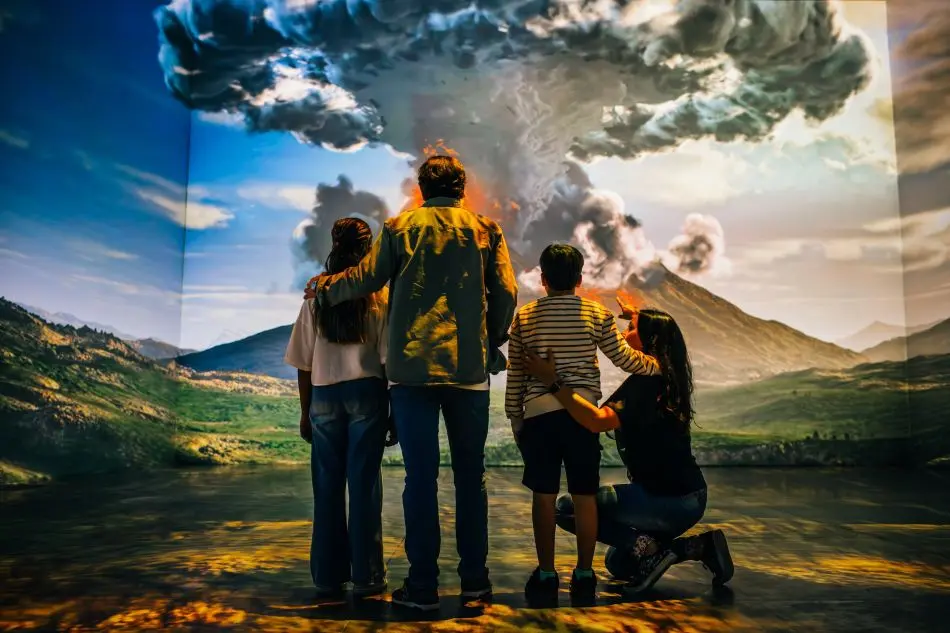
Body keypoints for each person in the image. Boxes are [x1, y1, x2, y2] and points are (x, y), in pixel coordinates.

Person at [305, 155, 518, 611]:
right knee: (470, 478)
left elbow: (366, 278)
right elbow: (505, 293)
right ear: (463, 187)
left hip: (410, 374)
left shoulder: (400, 228)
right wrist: (491, 339)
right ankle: (475, 583)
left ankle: (421, 587)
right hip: (468, 373)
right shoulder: (486, 229)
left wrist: (325, 289)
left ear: (421, 188)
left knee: (420, 480)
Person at [522, 302, 734, 595]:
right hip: (688, 497)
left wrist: (553, 383)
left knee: (567, 509)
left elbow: (596, 422)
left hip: (667, 500)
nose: (624, 332)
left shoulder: (645, 383)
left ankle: (654, 551)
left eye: (632, 328)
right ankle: (697, 546)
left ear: (651, 340)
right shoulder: (667, 376)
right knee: (619, 563)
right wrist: (636, 313)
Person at [505, 244, 661, 605]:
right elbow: (625, 359)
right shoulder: (595, 313)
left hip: (539, 418)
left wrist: (516, 418)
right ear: (579, 279)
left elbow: (516, 376)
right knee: (584, 495)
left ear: (542, 279)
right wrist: (659, 366)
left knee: (543, 497)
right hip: (581, 417)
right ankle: (585, 575)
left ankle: (546, 574)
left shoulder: (524, 317)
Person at [284, 218, 397, 600]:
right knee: (364, 487)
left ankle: (328, 576)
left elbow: (303, 361)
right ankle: (368, 576)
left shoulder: (314, 295)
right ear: (368, 249)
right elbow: (387, 361)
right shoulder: (378, 295)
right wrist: (392, 411)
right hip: (368, 393)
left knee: (327, 488)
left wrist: (306, 412)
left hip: (323, 396)